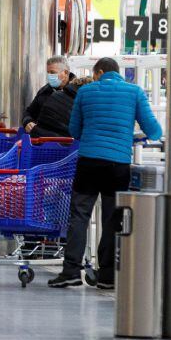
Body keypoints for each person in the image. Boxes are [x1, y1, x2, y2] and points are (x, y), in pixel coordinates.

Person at [49, 57, 162, 290]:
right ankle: (107, 276)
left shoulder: (86, 92)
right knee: (111, 219)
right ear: (117, 73)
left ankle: (71, 271)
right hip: (117, 164)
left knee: (79, 215)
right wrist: (129, 137)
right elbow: (154, 130)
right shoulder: (135, 92)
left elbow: (74, 130)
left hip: (89, 162)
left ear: (99, 72)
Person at [23, 56, 72, 133]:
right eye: (48, 72)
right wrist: (28, 121)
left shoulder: (77, 92)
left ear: (65, 73)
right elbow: (29, 112)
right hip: (43, 141)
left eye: (52, 72)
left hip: (69, 142)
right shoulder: (44, 91)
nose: (49, 76)